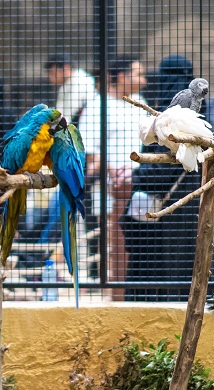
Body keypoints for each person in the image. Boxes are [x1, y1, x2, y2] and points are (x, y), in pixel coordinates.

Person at [120, 55, 201, 301]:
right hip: (190, 201)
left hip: (166, 210)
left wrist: (137, 174)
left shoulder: (173, 111)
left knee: (156, 270)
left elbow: (166, 167)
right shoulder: (198, 109)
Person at [78, 55, 148, 299]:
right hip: (113, 189)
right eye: (138, 74)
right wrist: (114, 172)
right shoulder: (98, 106)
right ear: (120, 77)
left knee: (140, 247)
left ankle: (138, 294)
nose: (144, 79)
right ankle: (118, 297)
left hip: (144, 186)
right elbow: (92, 154)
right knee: (118, 246)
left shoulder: (140, 102)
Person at [45, 52, 97, 125]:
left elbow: (69, 114)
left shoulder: (81, 81)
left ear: (66, 68)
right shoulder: (66, 85)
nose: (51, 79)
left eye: (53, 74)